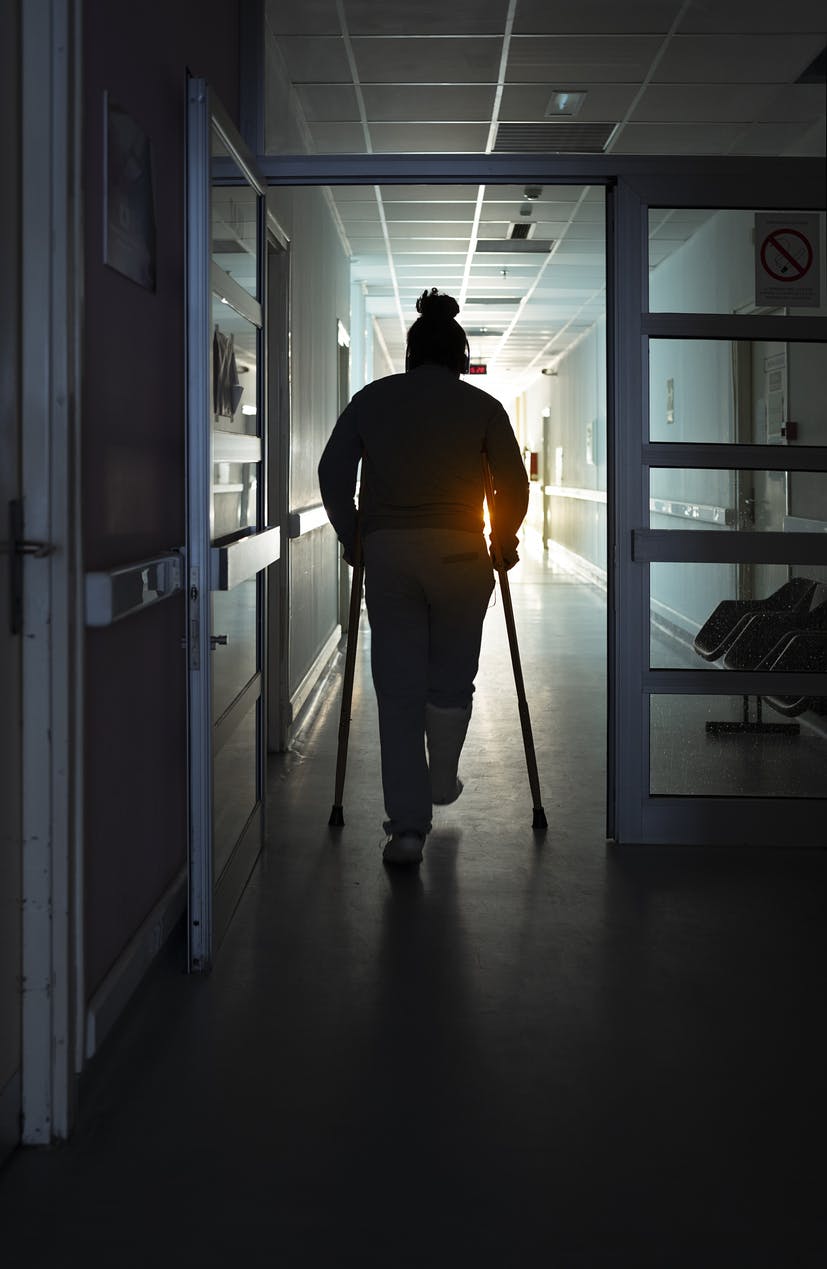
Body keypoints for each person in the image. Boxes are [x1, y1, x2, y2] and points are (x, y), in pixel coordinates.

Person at [318, 288, 528, 865]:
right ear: (459, 355)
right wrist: (503, 537)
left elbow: (333, 471)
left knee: (399, 690)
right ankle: (443, 781)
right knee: (451, 679)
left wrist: (352, 533)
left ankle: (407, 829)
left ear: (410, 352)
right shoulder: (482, 407)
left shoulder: (372, 399)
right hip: (462, 554)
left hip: (389, 554)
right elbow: (511, 484)